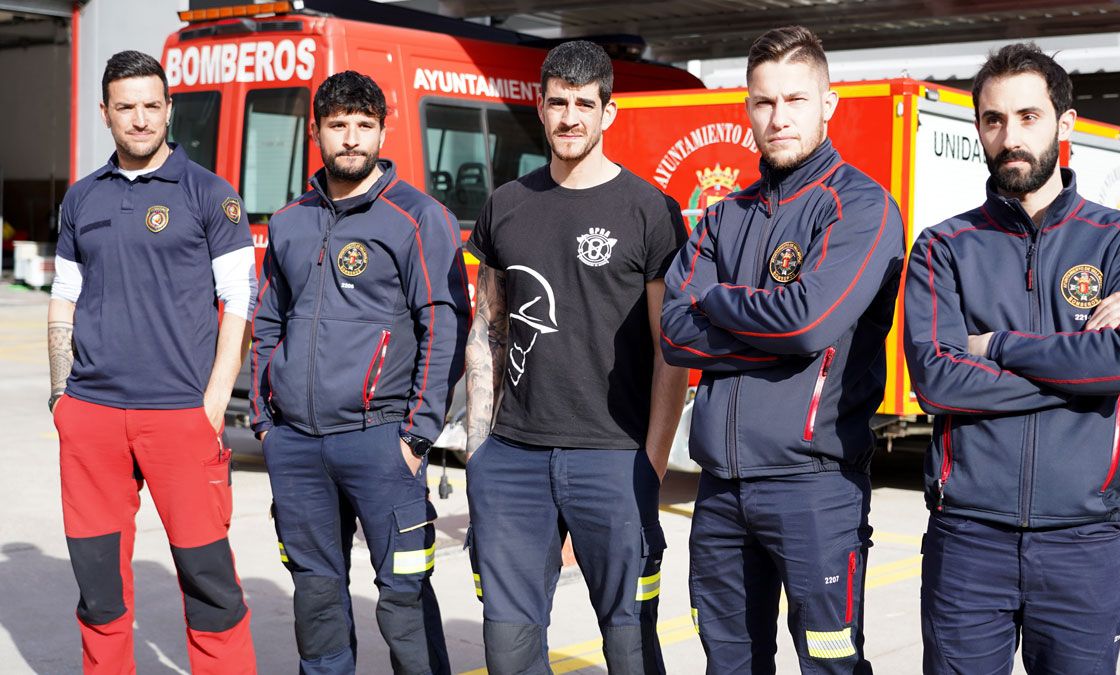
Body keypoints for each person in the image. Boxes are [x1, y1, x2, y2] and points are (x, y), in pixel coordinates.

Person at [903, 43, 1120, 674]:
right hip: (968, 541)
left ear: (1065, 123)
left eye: (1028, 117)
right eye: (994, 121)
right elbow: (937, 382)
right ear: (980, 132)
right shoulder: (944, 247)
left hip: (1084, 545)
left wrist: (994, 346)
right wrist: (1084, 372)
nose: (1010, 136)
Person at [659, 26, 905, 674]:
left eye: (795, 100)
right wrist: (764, 329)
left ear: (829, 103)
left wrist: (716, 300)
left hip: (814, 488)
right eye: (765, 102)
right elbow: (674, 333)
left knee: (829, 663)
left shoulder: (861, 207)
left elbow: (806, 323)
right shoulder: (722, 215)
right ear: (748, 108)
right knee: (729, 663)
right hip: (719, 492)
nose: (779, 117)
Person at [462, 40, 689, 674]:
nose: (570, 118)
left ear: (607, 112)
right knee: (507, 653)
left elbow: (672, 349)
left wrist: (653, 463)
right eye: (558, 102)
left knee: (629, 646)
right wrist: (480, 451)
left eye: (584, 104)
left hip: (613, 457)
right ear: (540, 106)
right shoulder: (505, 207)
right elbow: (488, 329)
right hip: (511, 460)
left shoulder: (650, 211)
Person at [249, 70, 470, 674]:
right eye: (338, 125)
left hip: (381, 442)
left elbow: (444, 326)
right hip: (295, 444)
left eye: (363, 126)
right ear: (317, 130)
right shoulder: (290, 220)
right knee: (316, 597)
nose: (351, 138)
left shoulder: (419, 218)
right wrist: (265, 420)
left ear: (381, 130)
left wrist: (416, 435)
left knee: (401, 598)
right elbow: (268, 320)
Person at [48, 50, 257, 674]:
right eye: (125, 107)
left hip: (179, 418)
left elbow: (239, 303)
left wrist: (215, 401)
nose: (139, 119)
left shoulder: (210, 195)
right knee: (99, 589)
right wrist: (62, 398)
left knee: (210, 584)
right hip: (92, 418)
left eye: (150, 105)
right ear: (106, 114)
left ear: (168, 109)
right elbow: (64, 297)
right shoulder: (81, 199)